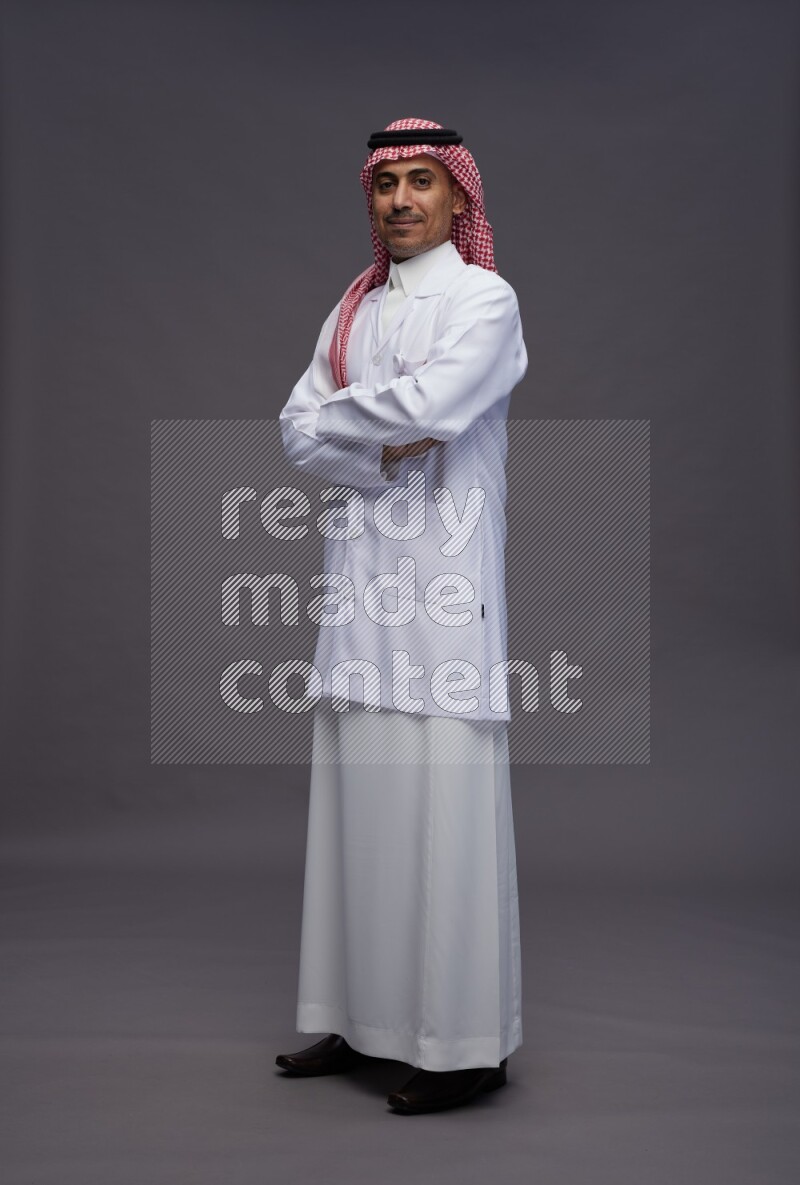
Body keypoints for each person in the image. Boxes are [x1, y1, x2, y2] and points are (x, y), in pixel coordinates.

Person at [275, 117, 528, 1114]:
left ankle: (463, 1047)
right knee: (355, 812)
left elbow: (436, 406)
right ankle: (361, 1017)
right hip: (359, 593)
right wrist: (376, 434)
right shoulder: (354, 310)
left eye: (422, 182)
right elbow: (296, 432)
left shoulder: (485, 299)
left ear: (458, 199)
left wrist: (366, 426)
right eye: (385, 185)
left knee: (443, 814)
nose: (401, 202)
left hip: (443, 596)